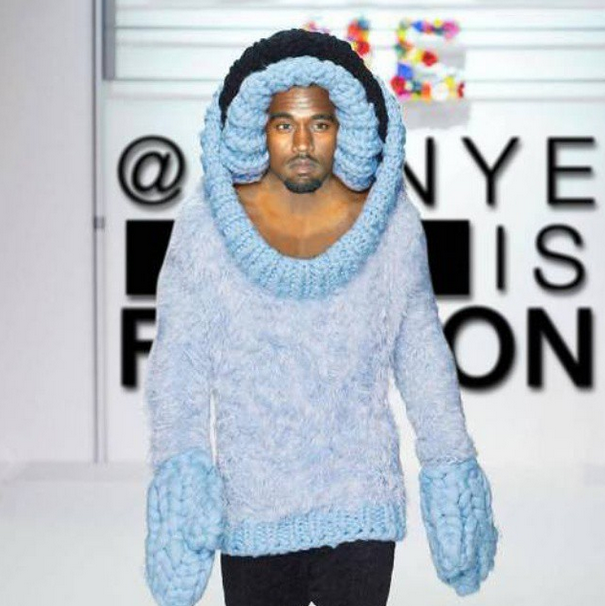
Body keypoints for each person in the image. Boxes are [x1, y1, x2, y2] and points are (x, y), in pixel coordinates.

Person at [143, 29, 499, 606]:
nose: (303, 142)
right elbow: (177, 364)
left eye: (321, 124)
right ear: (258, 129)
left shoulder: (392, 224)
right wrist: (181, 472)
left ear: (346, 130)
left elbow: (422, 354)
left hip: (362, 504)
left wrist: (450, 463)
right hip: (251, 508)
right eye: (285, 124)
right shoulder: (205, 228)